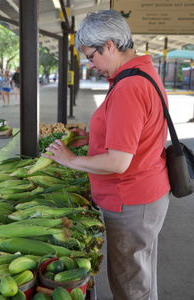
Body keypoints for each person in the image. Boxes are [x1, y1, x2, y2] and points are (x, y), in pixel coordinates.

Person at [42, 9, 171, 300]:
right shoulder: (144, 72)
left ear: (110, 45)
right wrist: (95, 137)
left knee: (129, 284)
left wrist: (70, 160)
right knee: (141, 275)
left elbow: (118, 161)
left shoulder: (128, 87)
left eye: (91, 57)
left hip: (130, 200)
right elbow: (138, 133)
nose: (92, 65)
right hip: (148, 193)